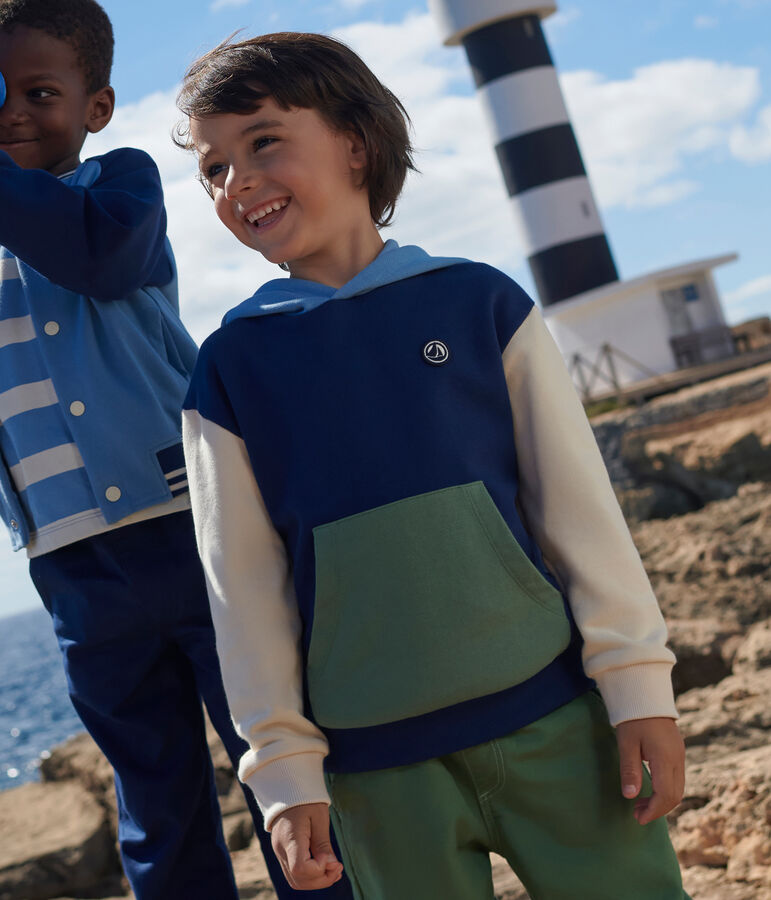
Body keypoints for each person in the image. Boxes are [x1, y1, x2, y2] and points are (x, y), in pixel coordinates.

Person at [177, 31, 691, 899]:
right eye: (213, 168)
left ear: (354, 142)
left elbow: (579, 514)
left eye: (262, 141)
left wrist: (638, 689)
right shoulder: (227, 371)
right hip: (376, 769)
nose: (238, 182)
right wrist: (283, 774)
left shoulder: (479, 302)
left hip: (553, 716)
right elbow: (244, 591)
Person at [0, 5, 352, 899]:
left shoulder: (119, 188)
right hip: (70, 564)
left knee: (278, 760)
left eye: (38, 92)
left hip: (197, 530)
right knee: (155, 798)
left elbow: (97, 260)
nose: (10, 111)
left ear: (98, 105)